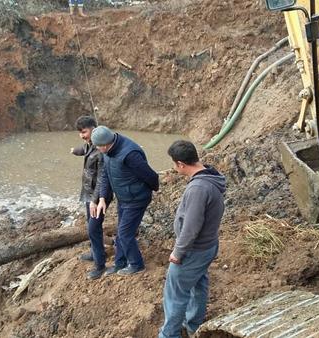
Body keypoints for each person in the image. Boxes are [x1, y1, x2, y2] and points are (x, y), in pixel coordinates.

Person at [158, 140, 226, 338]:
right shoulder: (211, 177)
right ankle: (193, 325)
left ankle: (169, 334)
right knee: (198, 284)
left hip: (194, 250)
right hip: (208, 245)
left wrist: (178, 252)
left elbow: (191, 227)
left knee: (175, 295)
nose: (173, 168)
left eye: (173, 164)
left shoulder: (198, 188)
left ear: (181, 164)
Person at [92, 126, 159, 276]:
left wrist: (148, 191)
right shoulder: (108, 151)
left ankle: (136, 264)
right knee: (121, 232)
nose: (96, 149)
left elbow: (151, 176)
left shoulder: (130, 154)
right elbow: (105, 174)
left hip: (136, 199)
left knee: (124, 233)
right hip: (123, 198)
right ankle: (119, 263)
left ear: (105, 144)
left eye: (97, 146)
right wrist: (102, 198)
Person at [71, 116, 107, 279]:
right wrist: (74, 151)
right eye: (80, 133)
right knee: (91, 225)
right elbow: (84, 149)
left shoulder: (101, 150)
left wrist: (95, 200)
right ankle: (94, 252)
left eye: (84, 132)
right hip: (87, 194)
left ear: (94, 128)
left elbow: (101, 178)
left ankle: (100, 265)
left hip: (97, 197)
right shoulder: (90, 145)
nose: (82, 135)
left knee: (93, 228)